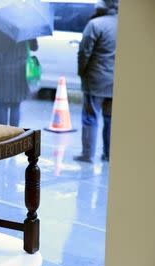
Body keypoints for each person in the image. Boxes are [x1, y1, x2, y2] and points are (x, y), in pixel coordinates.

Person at [74, 0, 119, 163]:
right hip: (115, 81)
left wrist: (81, 72)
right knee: (110, 119)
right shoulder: (124, 24)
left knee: (90, 117)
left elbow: (84, 52)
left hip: (95, 80)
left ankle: (87, 154)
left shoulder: (95, 24)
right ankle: (108, 154)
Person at [0, 28, 38, 127]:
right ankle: (14, 135)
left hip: (2, 70)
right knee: (16, 104)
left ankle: (2, 134)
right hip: (19, 71)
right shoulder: (26, 26)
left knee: (3, 104)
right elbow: (34, 47)